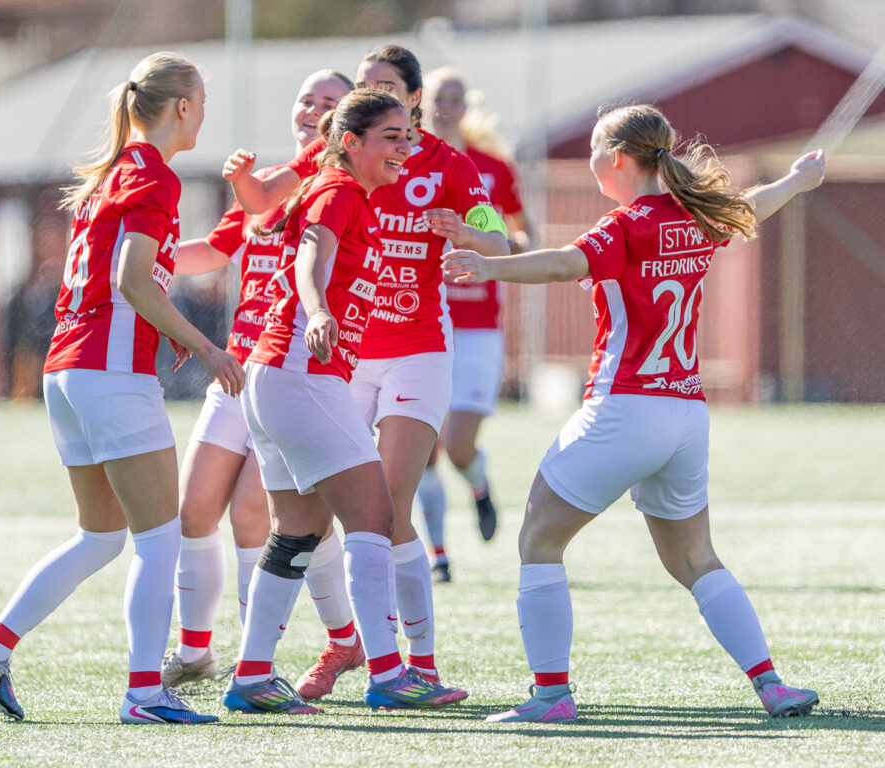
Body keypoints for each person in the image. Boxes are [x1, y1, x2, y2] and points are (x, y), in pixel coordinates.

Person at [443, 104, 827, 723]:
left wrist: (488, 266)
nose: (591, 160)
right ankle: (771, 685)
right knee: (695, 559)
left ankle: (550, 697)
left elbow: (564, 263)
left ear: (617, 158)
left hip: (625, 407)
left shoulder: (628, 224)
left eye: (595, 149)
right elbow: (749, 207)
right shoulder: (692, 214)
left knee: (538, 539)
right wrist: (797, 181)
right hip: (685, 414)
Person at [0, 51, 245, 725]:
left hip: (69, 371)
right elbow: (133, 281)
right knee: (160, 539)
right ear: (181, 107)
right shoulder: (154, 176)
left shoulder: (117, 172)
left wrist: (239, 229)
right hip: (110, 373)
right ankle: (145, 693)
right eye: (201, 102)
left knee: (102, 537)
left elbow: (142, 274)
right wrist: (207, 347)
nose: (204, 114)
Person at [223, 44, 509, 699]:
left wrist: (467, 234)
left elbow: (499, 239)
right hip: (314, 367)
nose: (400, 143)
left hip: (388, 355)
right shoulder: (340, 176)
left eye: (388, 90)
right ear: (352, 135)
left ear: (414, 100)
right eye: (365, 89)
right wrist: (318, 307)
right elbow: (297, 236)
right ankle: (382, 668)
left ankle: (267, 673)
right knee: (371, 517)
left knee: (325, 523)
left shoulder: (441, 165)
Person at [160, 69, 366, 696]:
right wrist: (143, 257)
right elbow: (213, 249)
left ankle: (272, 659)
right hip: (237, 370)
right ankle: (197, 651)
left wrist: (486, 234)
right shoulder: (267, 186)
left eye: (329, 102)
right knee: (194, 507)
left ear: (347, 123)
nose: (313, 110)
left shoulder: (344, 187)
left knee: (258, 516)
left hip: (296, 372)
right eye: (306, 99)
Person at [418, 66, 533, 581]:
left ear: (466, 106)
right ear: (420, 103)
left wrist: (505, 247)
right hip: (423, 322)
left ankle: (479, 486)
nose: (446, 107)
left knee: (459, 447)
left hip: (478, 326)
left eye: (455, 98)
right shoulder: (407, 165)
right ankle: (438, 555)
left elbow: (520, 233)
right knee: (423, 449)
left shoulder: (489, 169)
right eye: (438, 98)